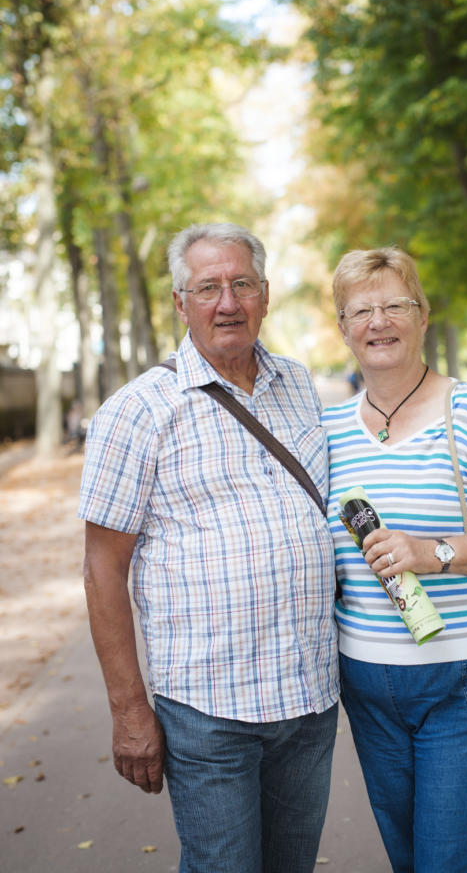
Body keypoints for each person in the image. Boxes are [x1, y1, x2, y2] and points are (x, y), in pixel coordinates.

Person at [79, 222, 339, 873]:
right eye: (208, 287)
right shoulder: (136, 410)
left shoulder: (300, 387)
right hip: (208, 709)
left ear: (266, 294)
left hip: (309, 700)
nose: (228, 302)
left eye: (241, 283)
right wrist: (130, 710)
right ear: (179, 302)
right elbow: (103, 568)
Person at [322, 247, 467, 873]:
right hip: (367, 684)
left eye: (396, 304)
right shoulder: (326, 431)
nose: (379, 321)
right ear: (342, 329)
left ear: (422, 316)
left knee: (454, 861)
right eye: (361, 309)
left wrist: (434, 553)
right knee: (410, 859)